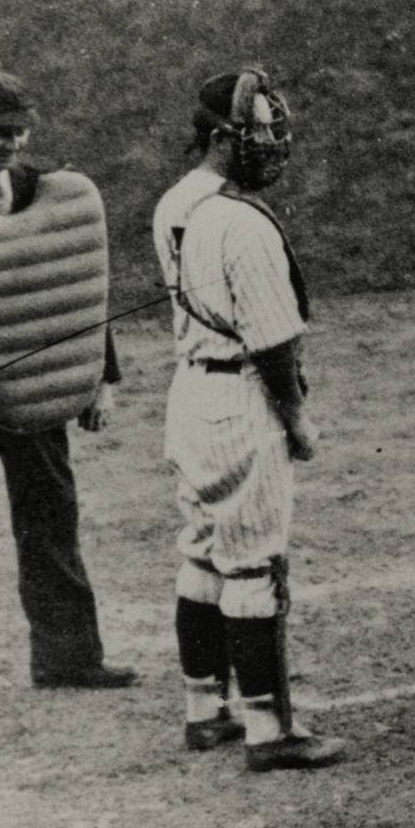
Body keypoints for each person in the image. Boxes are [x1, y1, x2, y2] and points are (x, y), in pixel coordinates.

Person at [152, 66, 345, 771]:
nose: (272, 144)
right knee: (255, 564)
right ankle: (271, 732)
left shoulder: (175, 204)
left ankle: (205, 709)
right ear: (223, 139)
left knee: (202, 548)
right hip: (239, 402)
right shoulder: (243, 224)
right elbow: (271, 340)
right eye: (259, 132)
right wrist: (296, 418)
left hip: (190, 395)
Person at [0, 70, 137, 689]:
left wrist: (96, 377)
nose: (13, 144)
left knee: (51, 516)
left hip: (31, 380)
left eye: (22, 131)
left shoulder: (40, 190)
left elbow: (71, 285)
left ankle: (69, 657)